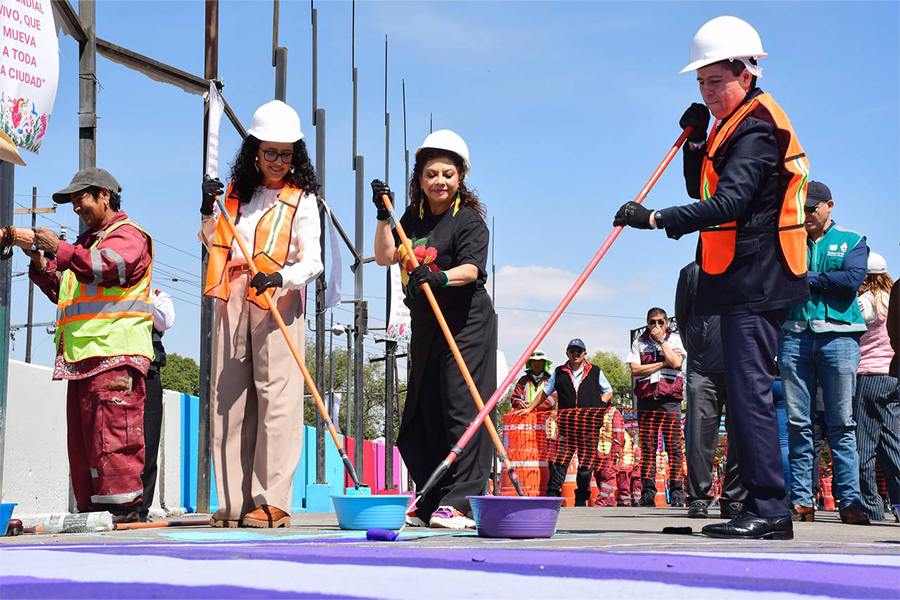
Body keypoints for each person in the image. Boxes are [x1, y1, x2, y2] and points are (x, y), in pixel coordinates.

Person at [614, 16, 810, 539]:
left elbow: (731, 202)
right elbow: (705, 187)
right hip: (734, 276)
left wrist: (655, 218)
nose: (708, 91)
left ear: (746, 73)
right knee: (744, 395)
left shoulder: (757, 126)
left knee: (748, 394)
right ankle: (752, 504)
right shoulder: (730, 123)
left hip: (758, 276)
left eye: (716, 81)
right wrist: (696, 144)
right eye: (701, 83)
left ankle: (769, 508)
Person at [199, 100, 323, 528]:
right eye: (270, 152)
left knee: (278, 400)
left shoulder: (303, 200)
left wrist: (282, 278)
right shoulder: (235, 195)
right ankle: (234, 501)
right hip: (232, 295)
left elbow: (314, 261)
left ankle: (272, 500)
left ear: (296, 156)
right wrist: (205, 208)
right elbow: (211, 239)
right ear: (255, 151)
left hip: (278, 301)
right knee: (228, 399)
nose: (277, 162)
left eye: (286, 154)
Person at [372, 130, 497, 529]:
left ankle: (462, 501)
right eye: (431, 174)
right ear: (419, 179)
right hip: (425, 322)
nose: (439, 181)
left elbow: (472, 270)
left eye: (448, 173)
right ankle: (432, 496)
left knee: (461, 407)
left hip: (465, 322)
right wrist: (382, 216)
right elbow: (385, 255)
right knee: (421, 414)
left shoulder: (469, 220)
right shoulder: (412, 216)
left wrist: (439, 276)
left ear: (460, 177)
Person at [25, 168, 153, 523]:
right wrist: (40, 261)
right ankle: (93, 515)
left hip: (114, 357)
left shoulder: (128, 236)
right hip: (84, 360)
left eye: (80, 199)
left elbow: (109, 267)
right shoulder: (86, 244)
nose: (76, 207)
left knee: (113, 443)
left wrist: (60, 250)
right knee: (86, 450)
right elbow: (63, 290)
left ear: (104, 195)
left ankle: (124, 515)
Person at [779, 181, 870, 525]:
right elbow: (779, 278)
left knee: (841, 424)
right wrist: (821, 279)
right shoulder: (788, 238)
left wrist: (807, 278)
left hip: (840, 339)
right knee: (798, 424)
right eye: (802, 208)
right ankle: (802, 501)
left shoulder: (853, 240)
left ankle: (850, 502)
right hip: (794, 336)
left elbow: (850, 280)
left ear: (829, 205)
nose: (806, 215)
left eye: (812, 208)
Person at [676, 261, 746, 519]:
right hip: (702, 369)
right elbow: (682, 319)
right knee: (697, 438)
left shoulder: (747, 266)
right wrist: (699, 346)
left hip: (741, 365)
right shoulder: (692, 272)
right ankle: (698, 498)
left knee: (742, 436)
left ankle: (735, 498)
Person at [516, 338, 614, 506]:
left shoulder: (595, 371)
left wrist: (599, 407)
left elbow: (608, 391)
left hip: (589, 427)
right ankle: (552, 498)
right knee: (559, 462)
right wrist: (530, 408)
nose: (575, 354)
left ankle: (581, 500)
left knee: (585, 466)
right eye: (572, 351)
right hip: (566, 426)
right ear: (567, 353)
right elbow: (545, 392)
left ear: (585, 354)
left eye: (578, 351)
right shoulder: (559, 372)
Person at [854, 252, 900, 521]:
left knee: (864, 445)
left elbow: (853, 329)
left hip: (870, 375)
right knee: (892, 442)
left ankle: (871, 508)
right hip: (893, 375)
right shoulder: (891, 298)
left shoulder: (866, 301)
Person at [627, 308, 686, 507]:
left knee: (674, 448)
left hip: (670, 399)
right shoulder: (639, 342)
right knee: (648, 448)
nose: (657, 326)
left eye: (661, 322)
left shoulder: (675, 339)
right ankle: (648, 494)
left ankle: (678, 494)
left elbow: (677, 362)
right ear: (647, 323)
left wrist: (662, 341)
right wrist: (662, 363)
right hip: (646, 399)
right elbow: (635, 369)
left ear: (667, 322)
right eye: (653, 322)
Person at [137, 288, 175, 521]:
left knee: (148, 443)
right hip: (115, 368)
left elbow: (164, 321)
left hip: (148, 371)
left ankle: (141, 508)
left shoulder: (159, 295)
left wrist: (143, 289)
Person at [595, 401, 625, 506]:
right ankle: (609, 502)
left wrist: (616, 451)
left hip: (609, 452)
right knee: (599, 476)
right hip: (597, 451)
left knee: (607, 477)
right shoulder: (595, 410)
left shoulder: (614, 412)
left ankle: (601, 502)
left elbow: (618, 432)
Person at [617, 423, 642, 506]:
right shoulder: (630, 441)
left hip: (623, 466)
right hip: (629, 467)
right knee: (632, 487)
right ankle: (634, 501)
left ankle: (625, 502)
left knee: (624, 486)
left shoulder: (622, 435)